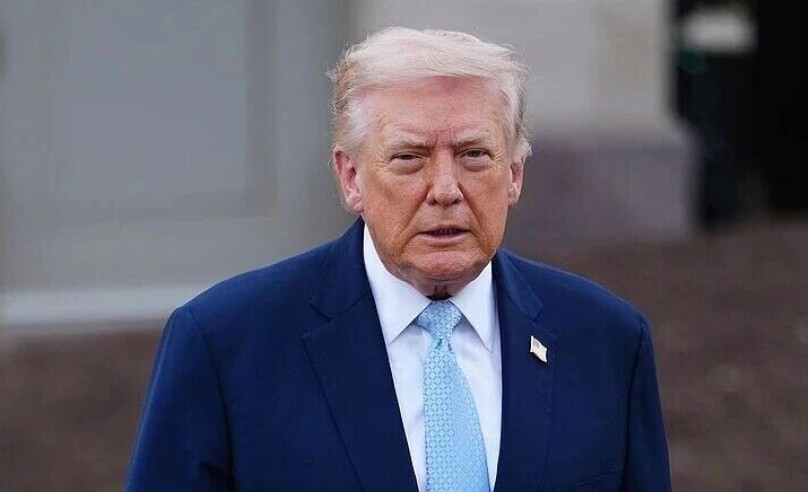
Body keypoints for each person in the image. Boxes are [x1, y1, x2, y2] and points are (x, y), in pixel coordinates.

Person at [126, 27, 671, 491]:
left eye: (474, 155)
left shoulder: (605, 340)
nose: (445, 190)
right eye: (409, 158)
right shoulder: (226, 344)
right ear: (351, 177)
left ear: (514, 175)